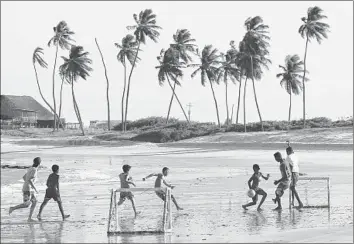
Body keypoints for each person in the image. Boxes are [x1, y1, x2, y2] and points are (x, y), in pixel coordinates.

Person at [9, 157, 41, 222]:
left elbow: (24, 177)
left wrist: (27, 184)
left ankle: (29, 218)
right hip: (28, 189)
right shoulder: (34, 170)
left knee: (34, 202)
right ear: (39, 164)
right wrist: (35, 188)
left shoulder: (30, 168)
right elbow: (30, 180)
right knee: (26, 205)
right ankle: (12, 208)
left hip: (28, 188)